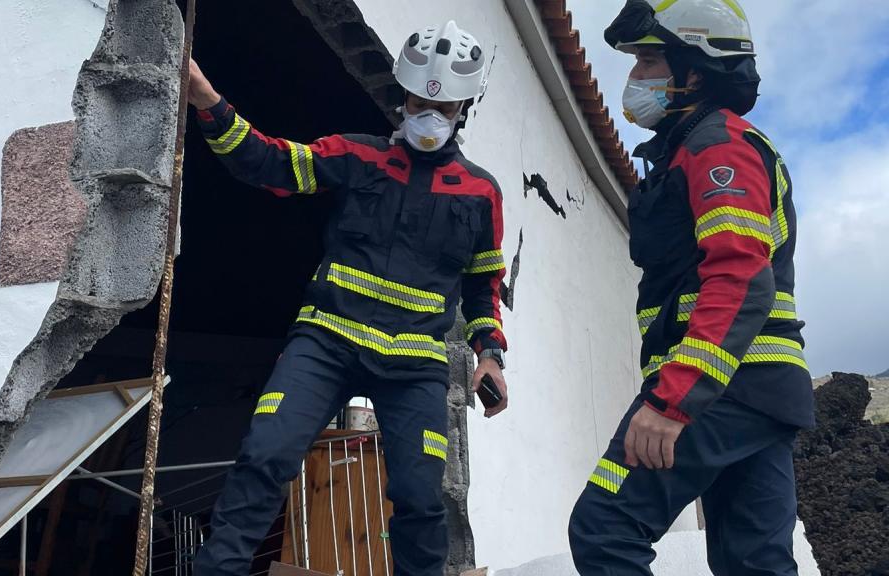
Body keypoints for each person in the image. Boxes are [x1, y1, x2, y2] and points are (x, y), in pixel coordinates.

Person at [187, 21, 509, 576]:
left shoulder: (481, 193)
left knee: (420, 496)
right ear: (402, 95)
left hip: (415, 367)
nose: (429, 115)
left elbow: (483, 284)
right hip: (327, 342)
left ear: (464, 108)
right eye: (417, 99)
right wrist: (207, 100)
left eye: (447, 107)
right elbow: (267, 163)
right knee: (265, 455)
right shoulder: (358, 156)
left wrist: (490, 356)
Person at [568, 1, 814, 574]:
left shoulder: (717, 147)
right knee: (754, 563)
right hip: (762, 391)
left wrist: (671, 401)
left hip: (725, 386)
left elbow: (739, 277)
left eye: (650, 60)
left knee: (605, 529)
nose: (634, 77)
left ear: (695, 72)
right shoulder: (699, 147)